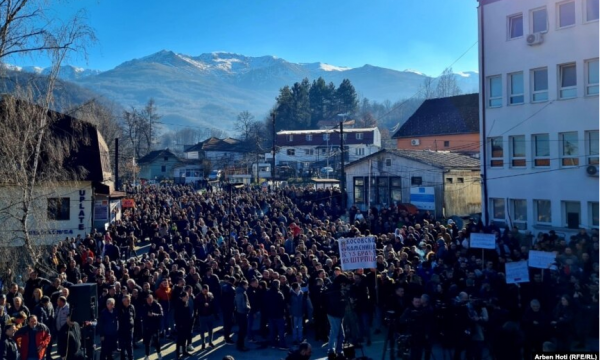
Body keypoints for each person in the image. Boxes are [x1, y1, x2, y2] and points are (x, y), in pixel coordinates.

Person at [264, 280, 287, 350]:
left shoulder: (267, 293)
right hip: (279, 315)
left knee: (272, 330)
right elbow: (282, 305)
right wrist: (284, 314)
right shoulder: (279, 294)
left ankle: (273, 344)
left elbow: (265, 304)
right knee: (281, 330)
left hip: (270, 315)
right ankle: (282, 344)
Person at [141, 295, 163, 360]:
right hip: (147, 327)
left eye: (150, 299)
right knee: (147, 342)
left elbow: (161, 315)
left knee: (156, 341)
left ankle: (159, 353)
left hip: (155, 326)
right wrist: (146, 315)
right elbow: (142, 315)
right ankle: (147, 355)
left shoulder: (157, 305)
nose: (149, 301)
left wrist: (153, 315)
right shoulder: (144, 306)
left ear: (152, 299)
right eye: (148, 299)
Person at [195, 285, 216, 350]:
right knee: (202, 330)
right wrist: (202, 305)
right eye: (205, 291)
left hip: (210, 314)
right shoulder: (198, 297)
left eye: (207, 291)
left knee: (210, 329)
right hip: (202, 315)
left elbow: (213, 303)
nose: (206, 292)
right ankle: (203, 343)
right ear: (202, 290)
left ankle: (210, 342)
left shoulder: (210, 295)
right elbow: (196, 306)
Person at [173, 292, 193, 359]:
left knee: (185, 339)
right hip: (181, 325)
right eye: (186, 296)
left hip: (187, 324)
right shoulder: (179, 304)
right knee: (179, 340)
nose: (188, 297)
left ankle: (184, 351)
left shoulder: (187, 302)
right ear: (182, 297)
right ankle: (178, 353)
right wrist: (179, 324)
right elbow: (176, 316)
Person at [234, 280, 250, 352]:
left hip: (238, 312)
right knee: (243, 330)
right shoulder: (243, 293)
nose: (247, 286)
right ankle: (241, 345)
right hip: (243, 313)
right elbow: (245, 305)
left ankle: (239, 344)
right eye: (247, 285)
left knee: (241, 330)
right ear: (244, 285)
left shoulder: (237, 291)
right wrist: (249, 308)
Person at [118, 295, 136, 360]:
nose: (129, 301)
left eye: (129, 300)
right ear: (123, 301)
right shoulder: (119, 308)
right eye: (127, 300)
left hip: (130, 330)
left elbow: (134, 316)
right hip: (122, 330)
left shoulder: (132, 307)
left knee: (130, 346)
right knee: (122, 347)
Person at [220, 277, 235, 345]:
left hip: (224, 307)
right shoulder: (232, 288)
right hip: (230, 308)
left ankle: (226, 336)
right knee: (229, 323)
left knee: (226, 323)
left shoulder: (224, 287)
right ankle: (227, 338)